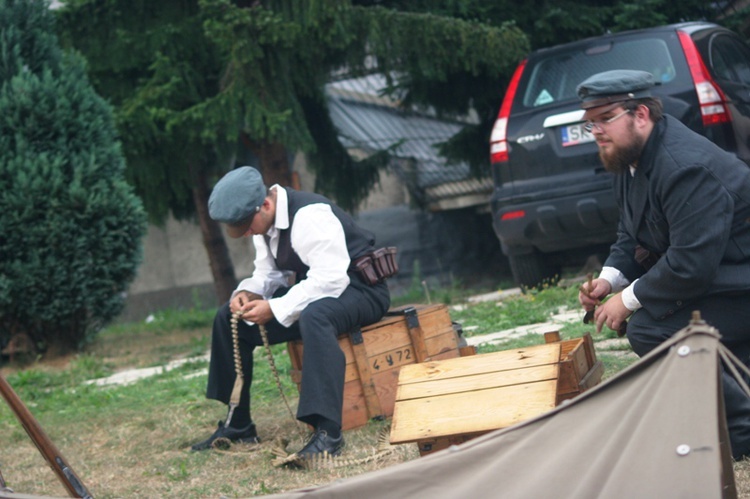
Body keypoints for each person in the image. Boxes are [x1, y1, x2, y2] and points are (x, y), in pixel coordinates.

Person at [576, 69, 750, 460]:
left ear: (640, 114)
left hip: (740, 282)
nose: (597, 131)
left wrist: (628, 300)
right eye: (591, 123)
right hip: (725, 279)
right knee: (658, 321)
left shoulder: (682, 165)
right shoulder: (629, 156)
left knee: (651, 329)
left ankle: (742, 430)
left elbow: (689, 265)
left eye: (605, 118)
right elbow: (632, 234)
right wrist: (609, 280)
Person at [191, 166, 391, 457]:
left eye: (247, 225)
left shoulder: (311, 216)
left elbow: (331, 279)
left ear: (267, 204)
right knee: (227, 317)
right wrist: (248, 293)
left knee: (315, 316)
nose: (246, 232)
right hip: (319, 292)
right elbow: (269, 273)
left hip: (361, 291)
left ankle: (328, 433)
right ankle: (239, 425)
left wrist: (274, 307)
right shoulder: (264, 221)